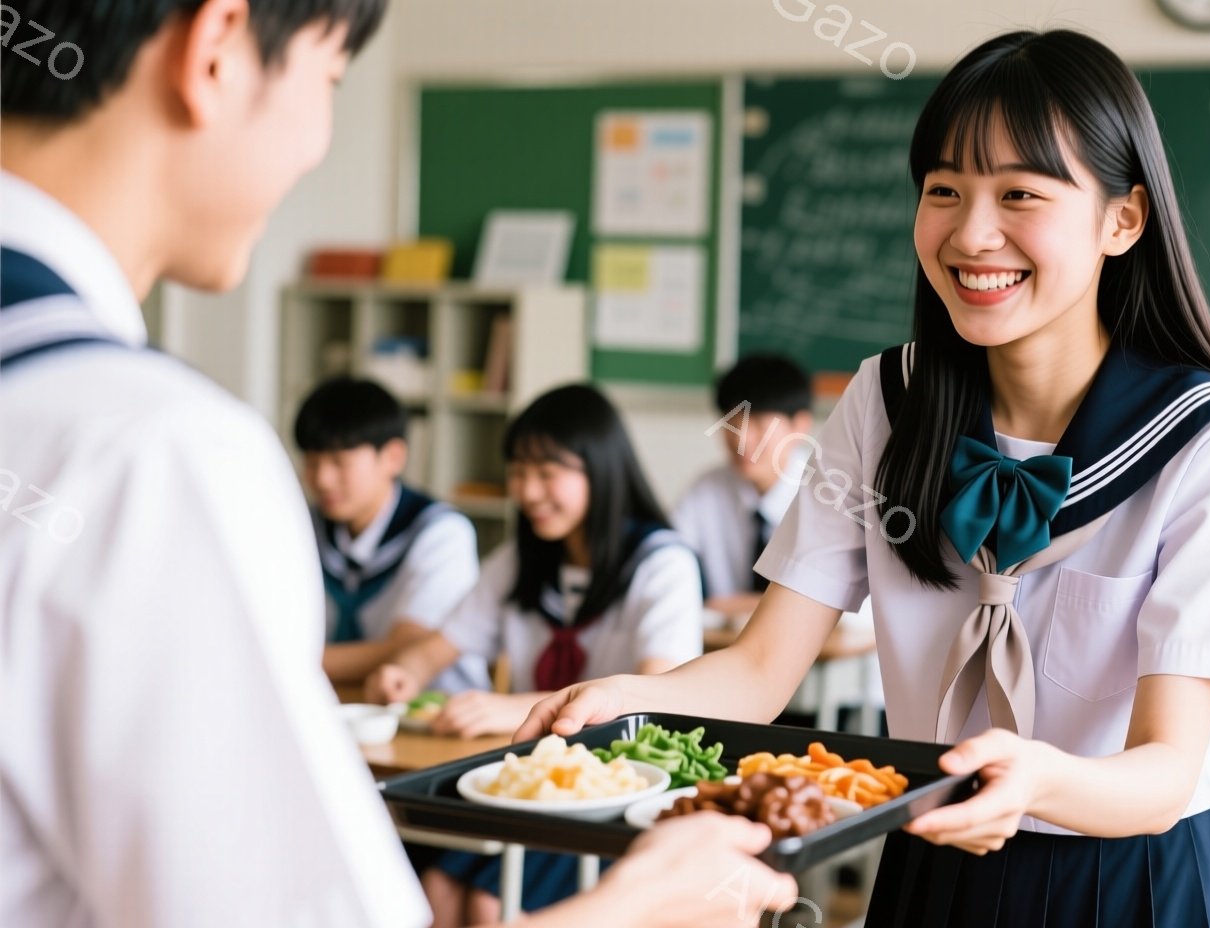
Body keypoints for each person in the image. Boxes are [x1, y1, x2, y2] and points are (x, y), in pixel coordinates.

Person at [0, 2, 792, 925]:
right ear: (216, 49)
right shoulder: (152, 450)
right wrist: (640, 906)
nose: (317, 141)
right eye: (329, 76)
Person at [516, 29, 1210, 927]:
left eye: (1021, 194)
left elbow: (1163, 770)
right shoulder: (886, 401)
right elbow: (760, 671)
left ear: (1124, 219)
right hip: (936, 857)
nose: (971, 233)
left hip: (1137, 879)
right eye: (944, 190)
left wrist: (1039, 775)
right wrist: (628, 700)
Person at [366, 384, 705, 926]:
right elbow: (436, 648)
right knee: (435, 890)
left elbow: (658, 697)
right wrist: (400, 673)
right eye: (519, 472)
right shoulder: (521, 559)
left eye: (548, 474)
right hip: (529, 780)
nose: (528, 491)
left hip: (612, 786)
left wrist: (516, 707)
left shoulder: (662, 564)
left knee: (488, 903)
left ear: (601, 471)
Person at [293, 376, 485, 690]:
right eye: (312, 462)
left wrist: (293, 662)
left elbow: (407, 646)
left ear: (393, 457)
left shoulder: (441, 533)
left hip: (437, 714)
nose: (323, 479)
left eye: (339, 462)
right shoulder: (306, 526)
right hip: (343, 705)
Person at [675, 353, 815, 614]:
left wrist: (742, 605)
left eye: (760, 426)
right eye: (732, 425)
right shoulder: (704, 492)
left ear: (800, 425)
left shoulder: (831, 494)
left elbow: (850, 609)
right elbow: (668, 565)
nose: (743, 441)